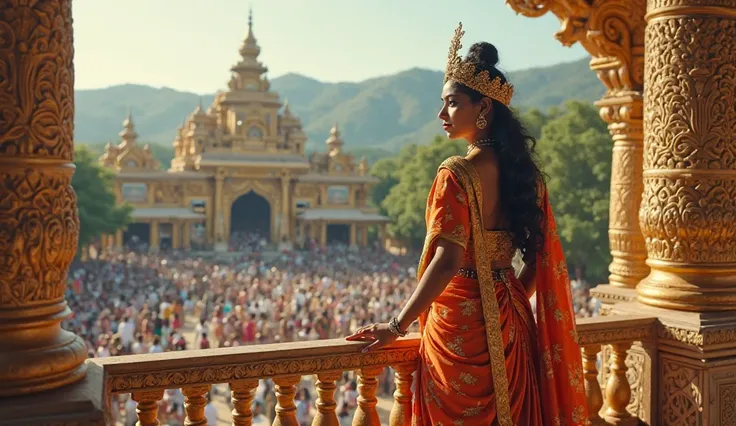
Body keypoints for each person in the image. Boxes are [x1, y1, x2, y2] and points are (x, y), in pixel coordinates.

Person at [347, 23, 587, 425]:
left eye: (452, 103)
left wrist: (395, 325)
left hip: (459, 323)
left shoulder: (456, 173)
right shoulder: (525, 175)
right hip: (511, 321)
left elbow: (447, 260)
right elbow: (539, 255)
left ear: (484, 108)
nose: (441, 114)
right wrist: (508, 295)